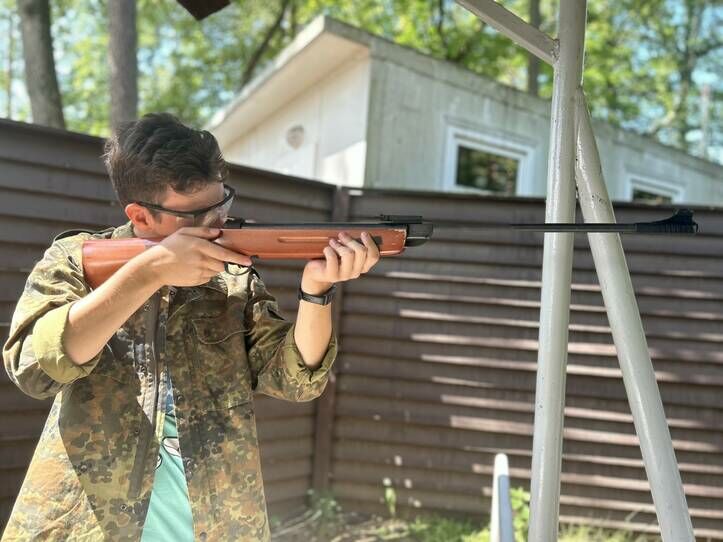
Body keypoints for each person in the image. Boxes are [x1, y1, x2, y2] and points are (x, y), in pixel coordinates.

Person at [1, 113, 380, 541]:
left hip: (218, 523)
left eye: (222, 204)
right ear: (141, 215)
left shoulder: (233, 276)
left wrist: (317, 290)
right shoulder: (75, 259)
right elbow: (34, 368)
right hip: (88, 524)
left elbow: (296, 380)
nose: (216, 222)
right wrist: (150, 272)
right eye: (197, 214)